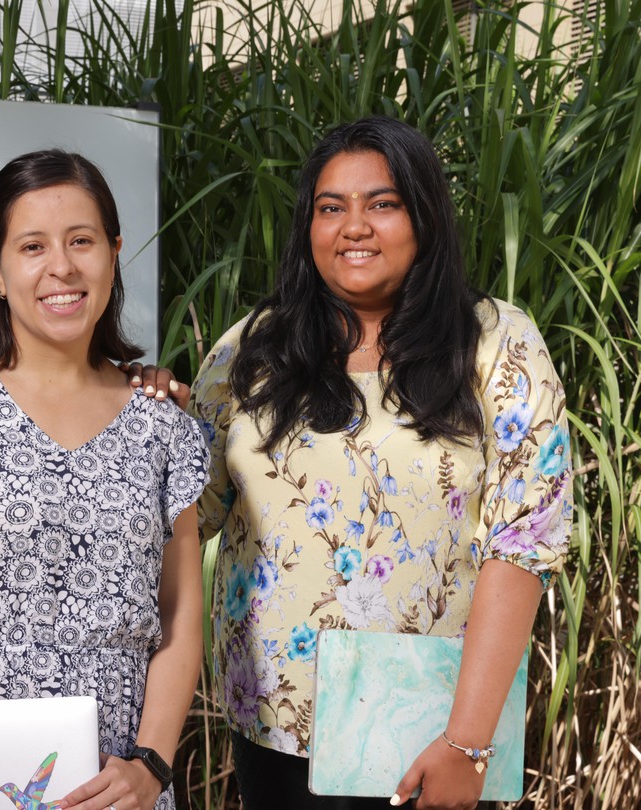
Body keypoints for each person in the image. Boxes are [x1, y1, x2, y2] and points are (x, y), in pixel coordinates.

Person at [180, 116, 573, 809]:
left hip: (424, 738)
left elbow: (523, 545)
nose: (353, 226)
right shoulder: (253, 348)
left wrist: (466, 743)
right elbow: (188, 509)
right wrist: (125, 401)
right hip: (271, 727)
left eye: (381, 204)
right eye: (331, 207)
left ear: (423, 216)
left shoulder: (495, 343)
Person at [0, 149, 208, 810]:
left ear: (114, 252)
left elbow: (181, 613)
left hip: (120, 785)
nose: (62, 266)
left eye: (81, 241)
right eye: (32, 246)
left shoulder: (162, 421)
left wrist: (152, 765)